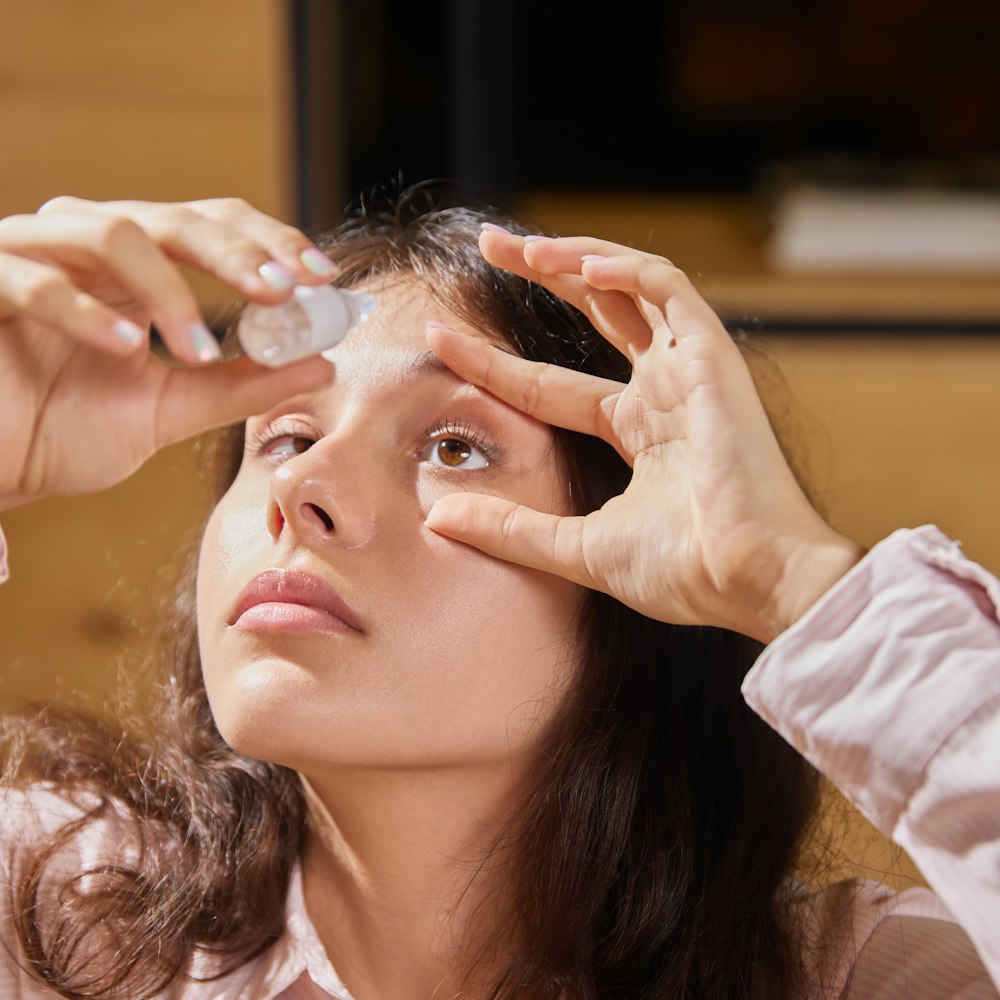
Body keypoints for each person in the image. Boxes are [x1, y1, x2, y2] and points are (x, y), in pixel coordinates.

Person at [0, 189, 996, 1000]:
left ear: (635, 578)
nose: (301, 490)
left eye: (454, 447)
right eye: (287, 436)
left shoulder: (855, 981)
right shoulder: (52, 917)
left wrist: (786, 576)